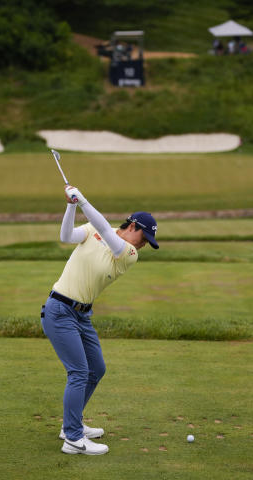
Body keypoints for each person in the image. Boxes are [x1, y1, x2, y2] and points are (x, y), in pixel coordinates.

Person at [41, 183, 159, 456]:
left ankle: (71, 424)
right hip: (60, 309)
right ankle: (72, 439)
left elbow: (106, 230)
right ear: (133, 226)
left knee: (96, 369)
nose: (143, 244)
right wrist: (71, 206)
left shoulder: (129, 254)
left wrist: (82, 200)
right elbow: (67, 235)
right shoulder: (92, 231)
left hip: (82, 316)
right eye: (144, 237)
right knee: (79, 372)